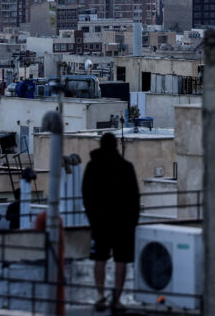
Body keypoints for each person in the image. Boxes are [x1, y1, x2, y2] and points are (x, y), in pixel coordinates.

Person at [82, 132, 140, 313]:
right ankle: (116, 300)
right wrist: (132, 221)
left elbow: (86, 194)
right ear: (116, 144)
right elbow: (134, 197)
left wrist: (92, 217)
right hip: (123, 222)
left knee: (100, 258)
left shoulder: (92, 166)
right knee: (121, 260)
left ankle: (100, 297)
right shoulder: (125, 166)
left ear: (100, 145)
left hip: (100, 221)